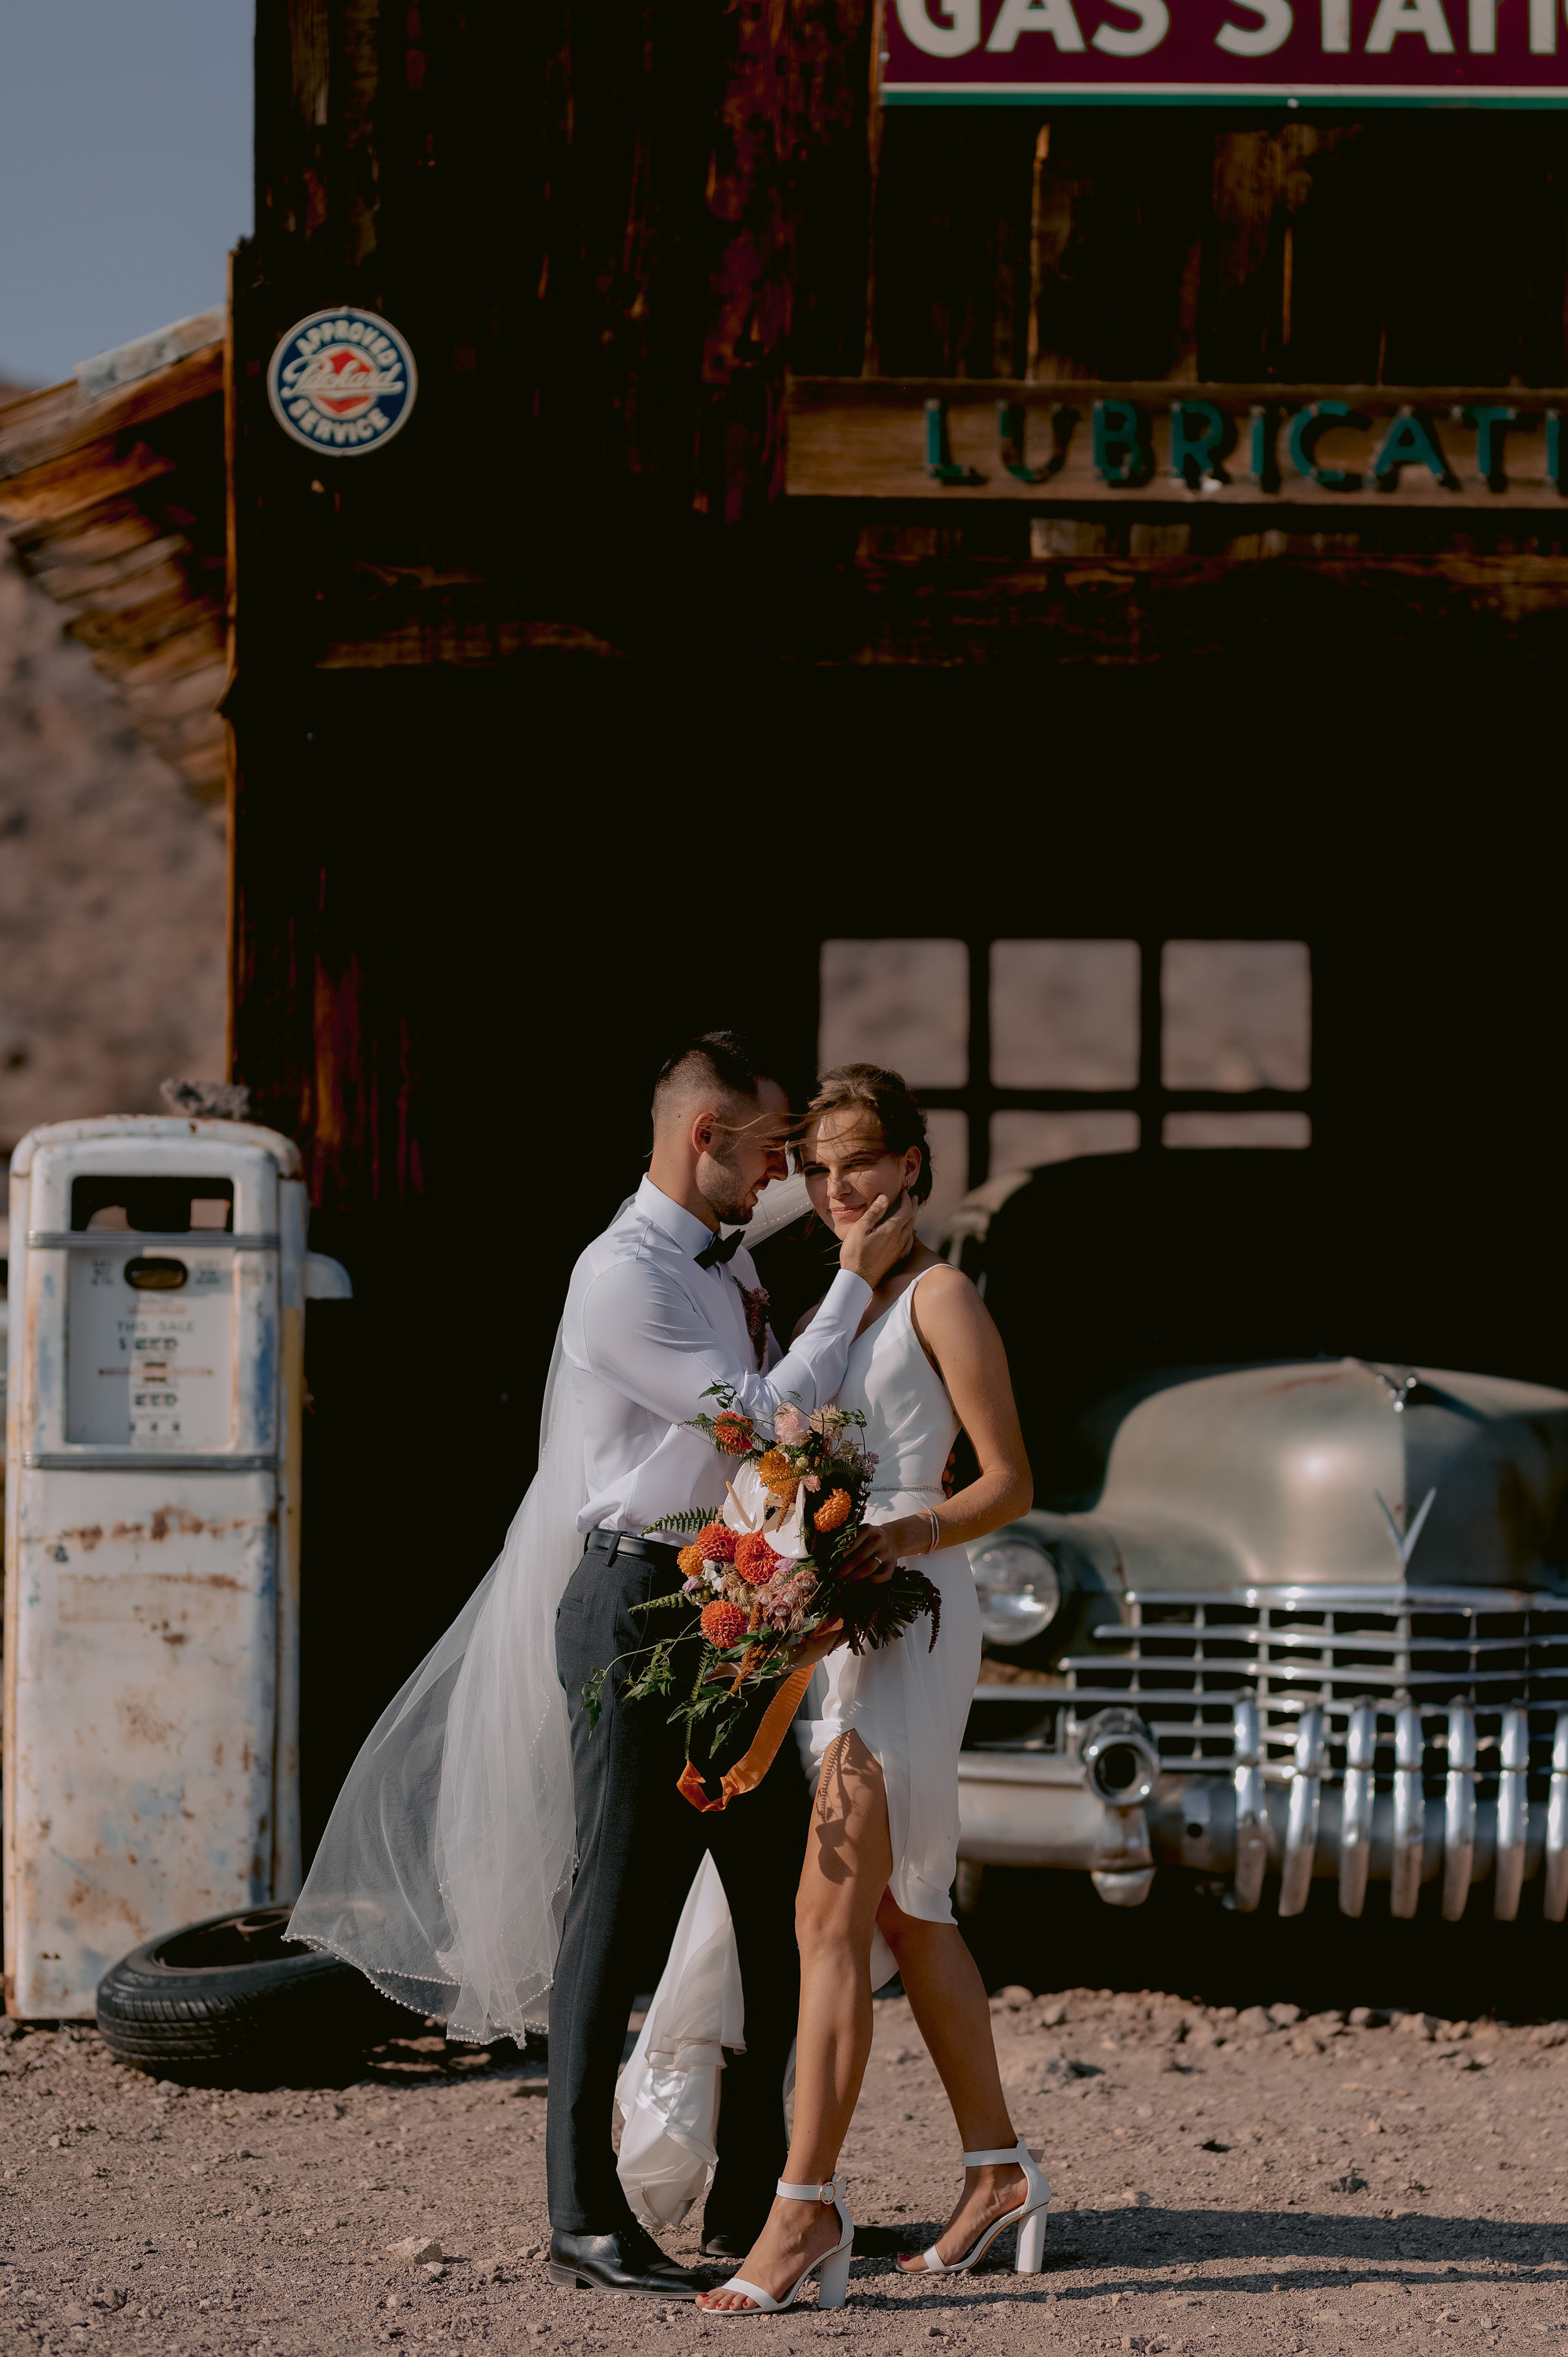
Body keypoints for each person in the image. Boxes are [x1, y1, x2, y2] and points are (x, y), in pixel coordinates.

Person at [288, 1030, 917, 2306]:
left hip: (729, 1595)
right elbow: (760, 1419)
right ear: (706, 1141)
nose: (784, 1173)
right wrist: (852, 1279)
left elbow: (808, 1191)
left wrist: (862, 1172)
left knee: (785, 1911)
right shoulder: (618, 1279)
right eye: (770, 1149)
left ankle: (758, 2197)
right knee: (618, 1904)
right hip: (637, 1603)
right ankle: (582, 2214)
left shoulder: (723, 1232)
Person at [697, 1063, 1047, 2318]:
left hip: (909, 1601)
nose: (838, 1186)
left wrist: (900, 1541)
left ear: (911, 1165)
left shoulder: (943, 1296)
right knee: (906, 1911)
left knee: (828, 1917)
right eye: (818, 1167)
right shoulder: (837, 1297)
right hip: (832, 1602)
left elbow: (1010, 1482)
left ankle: (804, 2212)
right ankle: (999, 2170)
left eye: (860, 1162)